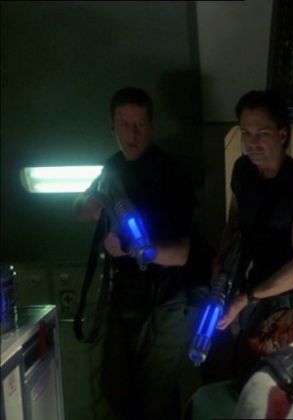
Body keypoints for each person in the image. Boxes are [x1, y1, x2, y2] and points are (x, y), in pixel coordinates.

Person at [75, 87, 212, 420]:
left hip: (165, 300)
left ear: (151, 127)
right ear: (112, 128)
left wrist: (135, 250)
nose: (132, 134)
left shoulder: (170, 174)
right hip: (123, 297)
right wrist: (93, 205)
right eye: (124, 125)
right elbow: (80, 208)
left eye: (139, 125)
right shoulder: (111, 169)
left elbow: (185, 252)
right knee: (115, 391)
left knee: (155, 399)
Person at [214, 90, 293, 382]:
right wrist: (222, 261)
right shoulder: (243, 170)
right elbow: (235, 220)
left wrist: (247, 298)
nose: (252, 142)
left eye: (262, 133)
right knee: (246, 376)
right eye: (245, 133)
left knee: (287, 386)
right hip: (254, 292)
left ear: (282, 135)